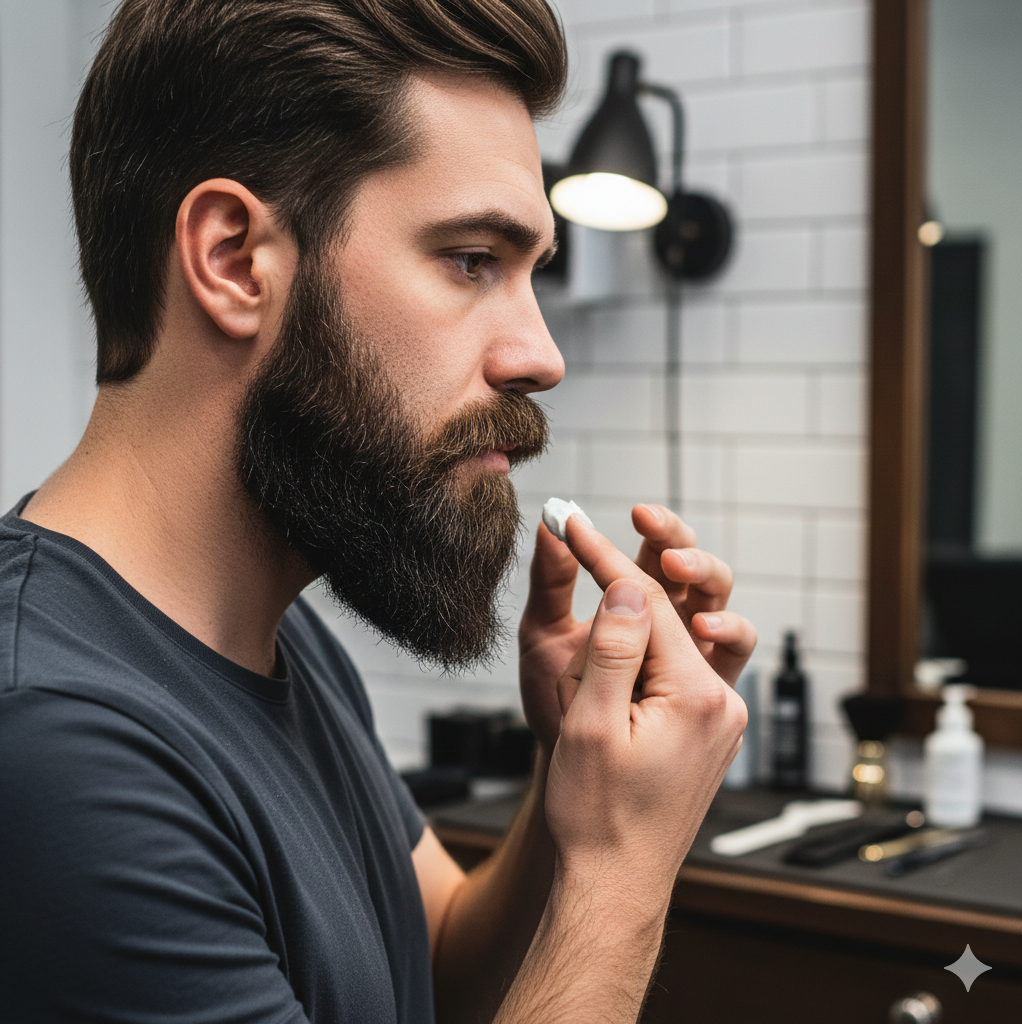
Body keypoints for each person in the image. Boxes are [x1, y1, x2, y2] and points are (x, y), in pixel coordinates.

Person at [0, 1, 755, 1022]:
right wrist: (621, 868)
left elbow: (437, 962)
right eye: (471, 259)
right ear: (233, 260)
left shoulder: (280, 638)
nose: (541, 356)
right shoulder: (54, 747)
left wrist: (572, 773)